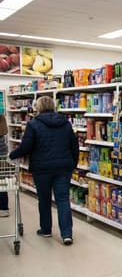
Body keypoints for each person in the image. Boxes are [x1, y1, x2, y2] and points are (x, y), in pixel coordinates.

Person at [9, 96, 78, 244]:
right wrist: (73, 163)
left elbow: (26, 147)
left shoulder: (33, 124)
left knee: (44, 199)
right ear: (53, 107)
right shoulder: (65, 123)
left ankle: (46, 230)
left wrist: (12, 155)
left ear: (38, 108)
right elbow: (74, 145)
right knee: (63, 199)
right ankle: (67, 234)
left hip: (41, 169)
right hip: (63, 168)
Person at [0, 115, 9, 217]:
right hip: (2, 154)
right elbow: (5, 131)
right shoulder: (1, 117)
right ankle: (3, 207)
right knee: (1, 181)